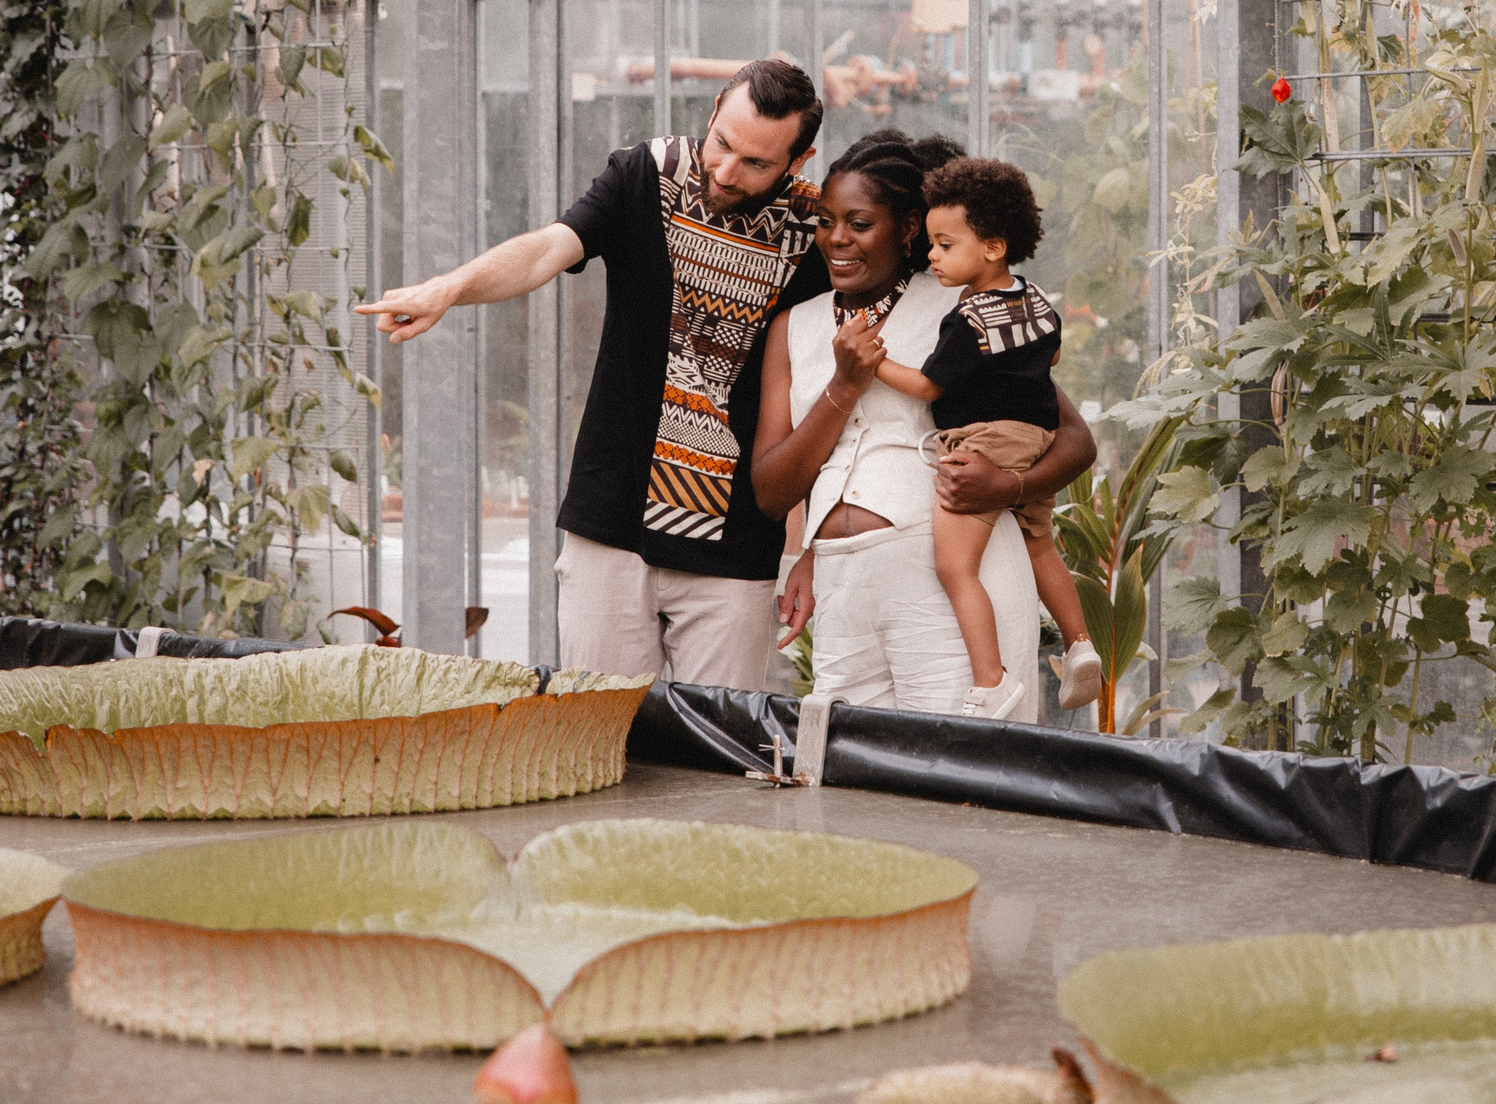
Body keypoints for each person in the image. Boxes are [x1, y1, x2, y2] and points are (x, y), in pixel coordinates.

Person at [354, 58, 827, 690]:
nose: (724, 170)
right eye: (722, 144)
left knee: (717, 757)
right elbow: (550, 246)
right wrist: (450, 287)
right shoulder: (643, 176)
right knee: (595, 740)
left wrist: (810, 553)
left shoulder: (817, 235)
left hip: (736, 555)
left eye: (756, 164)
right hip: (611, 532)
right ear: (713, 111)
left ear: (799, 160)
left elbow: (832, 402)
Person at [751, 130, 1097, 718]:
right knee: (850, 776)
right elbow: (771, 490)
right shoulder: (796, 327)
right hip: (844, 592)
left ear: (908, 228)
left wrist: (1008, 488)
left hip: (950, 583)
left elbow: (1073, 439)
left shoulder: (961, 304)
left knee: (964, 773)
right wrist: (845, 383)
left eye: (859, 223)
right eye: (826, 221)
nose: (837, 238)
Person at [869, 156, 1100, 717]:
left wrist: (868, 363)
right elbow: (1053, 356)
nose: (932, 255)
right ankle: (1079, 643)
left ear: (992, 246)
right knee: (1039, 543)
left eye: (945, 245)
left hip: (986, 443)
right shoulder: (1038, 300)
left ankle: (991, 680)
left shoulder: (969, 317)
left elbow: (927, 385)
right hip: (1036, 436)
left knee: (954, 567)